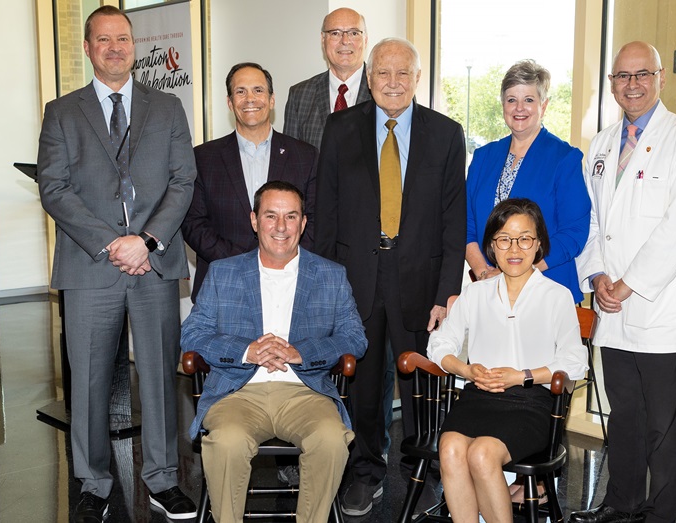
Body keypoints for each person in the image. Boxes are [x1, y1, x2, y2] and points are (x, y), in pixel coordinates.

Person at [36, 6, 197, 522]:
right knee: (87, 382)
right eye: (103, 40)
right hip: (91, 267)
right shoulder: (62, 111)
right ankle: (93, 482)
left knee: (157, 377)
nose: (114, 47)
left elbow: (183, 181)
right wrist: (112, 243)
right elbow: (54, 188)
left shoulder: (167, 107)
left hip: (153, 264)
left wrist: (145, 241)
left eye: (123, 39)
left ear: (135, 45)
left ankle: (163, 479)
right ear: (87, 48)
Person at [315, 37, 467, 516]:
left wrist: (448, 291)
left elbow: (452, 220)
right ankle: (365, 471)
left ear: (418, 78)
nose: (394, 82)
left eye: (404, 73)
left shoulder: (446, 133)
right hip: (355, 278)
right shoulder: (340, 128)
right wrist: (323, 288)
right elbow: (326, 213)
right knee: (362, 384)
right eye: (384, 73)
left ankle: (422, 474)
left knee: (420, 385)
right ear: (369, 77)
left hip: (419, 282)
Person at [570, 41, 676, 523]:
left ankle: (660, 515)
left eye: (641, 74)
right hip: (612, 305)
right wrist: (596, 274)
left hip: (661, 309)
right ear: (611, 83)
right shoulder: (603, 143)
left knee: (664, 429)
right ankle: (620, 504)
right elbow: (590, 220)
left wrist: (627, 284)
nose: (631, 84)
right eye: (621, 76)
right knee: (625, 418)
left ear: (660, 78)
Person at [180, 181, 367, 523]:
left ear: (303, 223)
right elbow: (192, 333)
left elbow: (355, 337)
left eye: (291, 216)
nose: (281, 227)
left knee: (331, 439)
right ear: (254, 220)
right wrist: (246, 350)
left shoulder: (330, 275)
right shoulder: (224, 272)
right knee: (226, 442)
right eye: (271, 216)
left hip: (304, 392)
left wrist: (302, 353)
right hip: (238, 393)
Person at [430, 198, 588, 523]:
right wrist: (466, 369)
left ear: (539, 243)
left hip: (532, 403)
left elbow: (575, 362)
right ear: (491, 245)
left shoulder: (556, 296)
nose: (514, 248)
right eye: (504, 239)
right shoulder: (475, 293)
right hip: (478, 397)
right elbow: (439, 344)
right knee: (449, 449)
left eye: (525, 238)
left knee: (482, 453)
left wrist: (523, 376)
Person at [182, 62, 317, 302]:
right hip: (223, 285)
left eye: (258, 90)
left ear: (272, 99)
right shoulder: (203, 158)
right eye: (240, 91)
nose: (250, 99)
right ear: (229, 102)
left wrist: (281, 263)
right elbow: (193, 223)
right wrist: (243, 263)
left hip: (289, 285)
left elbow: (315, 219)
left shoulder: (305, 156)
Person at [466, 60, 590, 304]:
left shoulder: (564, 158)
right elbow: (467, 225)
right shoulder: (483, 158)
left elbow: (574, 232)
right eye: (512, 99)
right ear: (503, 104)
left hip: (547, 289)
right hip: (490, 292)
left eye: (529, 100)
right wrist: (485, 275)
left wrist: (518, 274)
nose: (519, 108)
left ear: (544, 105)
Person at [283, 7, 372, 149]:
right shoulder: (299, 95)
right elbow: (291, 161)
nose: (345, 41)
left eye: (354, 33)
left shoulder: (385, 91)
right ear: (323, 40)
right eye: (335, 33)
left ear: (365, 40)